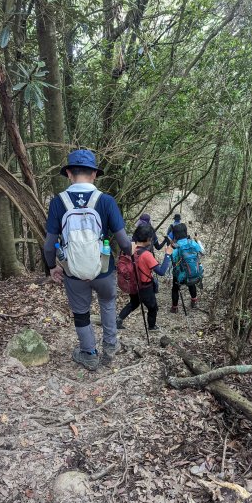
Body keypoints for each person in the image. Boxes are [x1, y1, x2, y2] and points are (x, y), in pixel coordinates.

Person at [44, 149, 133, 371]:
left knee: (81, 313)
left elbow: (49, 245)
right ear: (94, 174)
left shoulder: (58, 202)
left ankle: (89, 353)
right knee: (107, 303)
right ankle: (110, 346)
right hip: (103, 269)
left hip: (73, 272)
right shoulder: (106, 201)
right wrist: (131, 253)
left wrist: (52, 267)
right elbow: (123, 242)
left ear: (69, 174)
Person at [116, 224, 173, 331]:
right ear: (148, 239)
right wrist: (167, 254)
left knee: (134, 303)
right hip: (145, 287)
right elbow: (161, 271)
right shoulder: (146, 254)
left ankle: (118, 320)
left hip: (132, 284)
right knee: (152, 307)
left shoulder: (128, 249)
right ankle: (152, 327)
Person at [170, 223, 204, 313]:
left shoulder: (176, 246)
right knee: (191, 283)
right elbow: (203, 252)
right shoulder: (192, 243)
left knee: (175, 288)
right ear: (185, 232)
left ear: (175, 234)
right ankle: (194, 301)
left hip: (181, 276)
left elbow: (172, 260)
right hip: (193, 273)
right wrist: (198, 240)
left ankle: (175, 307)